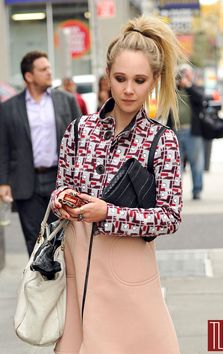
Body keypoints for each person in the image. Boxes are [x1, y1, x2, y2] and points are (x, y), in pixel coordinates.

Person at [51, 15, 183, 354]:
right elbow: (59, 188)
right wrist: (63, 199)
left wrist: (107, 212)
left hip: (130, 272)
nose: (128, 89)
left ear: (154, 80)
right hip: (79, 269)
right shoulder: (79, 130)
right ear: (107, 75)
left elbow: (170, 216)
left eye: (139, 80)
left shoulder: (161, 140)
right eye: (120, 78)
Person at [0, 51, 81, 255]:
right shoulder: (9, 108)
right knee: (34, 239)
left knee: (62, 236)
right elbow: (3, 147)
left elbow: (82, 138)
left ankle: (62, 282)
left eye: (49, 68)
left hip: (60, 179)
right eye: (43, 69)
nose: (49, 72)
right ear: (29, 76)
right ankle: (39, 285)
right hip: (27, 182)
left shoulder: (66, 101)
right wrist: (3, 182)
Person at [175, 64, 205, 200]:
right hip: (175, 130)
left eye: (187, 75)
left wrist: (188, 85)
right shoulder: (174, 90)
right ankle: (176, 191)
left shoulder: (194, 89)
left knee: (196, 162)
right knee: (176, 164)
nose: (185, 78)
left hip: (192, 131)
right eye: (182, 75)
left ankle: (197, 190)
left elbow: (201, 99)